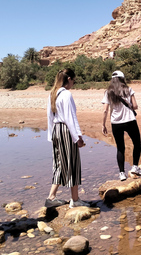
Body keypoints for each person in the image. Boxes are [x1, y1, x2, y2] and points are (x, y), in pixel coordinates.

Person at [46, 68, 88, 208]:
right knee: (72, 163)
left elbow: (49, 117)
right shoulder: (66, 95)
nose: (73, 83)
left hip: (56, 130)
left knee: (59, 163)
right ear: (69, 79)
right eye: (73, 81)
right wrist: (77, 137)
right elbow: (70, 118)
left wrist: (50, 135)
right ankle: (75, 200)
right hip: (65, 130)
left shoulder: (53, 93)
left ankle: (51, 197)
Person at [102, 71, 141, 181]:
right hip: (130, 120)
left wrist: (103, 125)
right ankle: (135, 166)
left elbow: (105, 110)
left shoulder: (108, 92)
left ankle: (121, 173)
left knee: (120, 148)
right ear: (122, 78)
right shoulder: (128, 89)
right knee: (137, 143)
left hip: (116, 123)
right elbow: (135, 106)